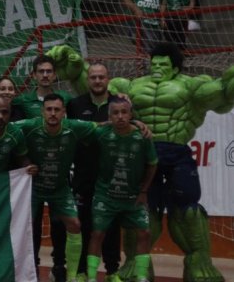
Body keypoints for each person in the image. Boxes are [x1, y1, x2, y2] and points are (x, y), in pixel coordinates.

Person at [49, 43, 231, 281]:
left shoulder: (193, 85)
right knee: (141, 211)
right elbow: (96, 87)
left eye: (163, 65)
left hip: (177, 153)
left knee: (187, 210)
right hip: (144, 153)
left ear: (175, 68)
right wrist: (74, 68)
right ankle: (136, 266)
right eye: (154, 64)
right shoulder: (131, 87)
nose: (157, 68)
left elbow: (224, 94)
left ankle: (199, 262)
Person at [16, 94, 98, 282]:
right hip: (34, 188)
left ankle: (71, 275)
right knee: (22, 227)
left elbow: (101, 127)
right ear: (42, 111)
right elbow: (4, 128)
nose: (53, 113)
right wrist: (25, 161)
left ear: (64, 113)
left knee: (75, 225)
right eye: (49, 109)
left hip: (60, 189)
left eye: (57, 110)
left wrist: (133, 124)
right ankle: (23, 272)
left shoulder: (74, 128)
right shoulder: (29, 125)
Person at [84, 98, 157, 282]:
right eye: (115, 113)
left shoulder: (142, 137)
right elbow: (82, 129)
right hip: (105, 196)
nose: (120, 116)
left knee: (145, 232)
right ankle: (91, 277)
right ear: (109, 117)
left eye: (124, 112)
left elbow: (152, 164)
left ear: (131, 115)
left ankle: (141, 277)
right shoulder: (101, 133)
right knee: (97, 233)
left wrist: (143, 191)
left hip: (133, 197)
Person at [65, 63, 122, 281]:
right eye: (93, 77)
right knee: (83, 224)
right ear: (87, 80)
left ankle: (112, 271)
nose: (97, 81)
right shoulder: (75, 105)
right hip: (83, 175)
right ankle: (81, 271)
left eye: (101, 77)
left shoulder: (118, 104)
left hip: (111, 176)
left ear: (108, 79)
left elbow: (130, 124)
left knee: (111, 225)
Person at [13, 55, 74, 119]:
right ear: (34, 75)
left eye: (49, 71)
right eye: (41, 71)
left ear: (55, 75)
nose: (45, 75)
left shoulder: (65, 97)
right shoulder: (23, 100)